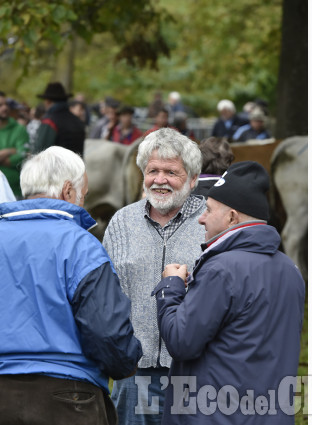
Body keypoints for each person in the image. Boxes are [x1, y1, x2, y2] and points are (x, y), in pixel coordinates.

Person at [0, 146, 143, 425]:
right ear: (67, 191)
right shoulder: (80, 244)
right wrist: (126, 362)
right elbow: (107, 331)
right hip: (67, 396)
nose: (82, 202)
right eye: (83, 194)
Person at [152, 161, 306, 425]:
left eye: (208, 210)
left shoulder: (222, 269)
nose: (201, 218)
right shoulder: (290, 270)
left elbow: (181, 341)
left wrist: (171, 287)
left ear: (232, 217)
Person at [102, 128, 206, 425]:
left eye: (171, 172)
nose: (159, 180)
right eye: (153, 171)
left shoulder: (208, 222)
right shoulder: (122, 221)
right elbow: (106, 294)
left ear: (193, 179)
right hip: (135, 372)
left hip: (193, 371)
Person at [0, 90, 29, 198]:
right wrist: (8, 151)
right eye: (0, 105)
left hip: (15, 191)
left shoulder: (19, 129)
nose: (5, 107)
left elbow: (22, 155)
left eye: (6, 104)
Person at [32, 82, 86, 156]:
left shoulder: (49, 122)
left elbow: (39, 153)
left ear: (48, 101)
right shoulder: (77, 121)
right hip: (76, 166)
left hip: (55, 166)